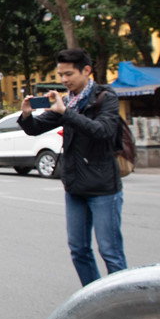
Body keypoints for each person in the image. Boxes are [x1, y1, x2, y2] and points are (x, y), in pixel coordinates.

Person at [20, 48, 127, 286]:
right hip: (75, 185)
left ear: (86, 70)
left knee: (110, 251)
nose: (64, 80)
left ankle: (122, 302)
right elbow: (35, 128)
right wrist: (26, 115)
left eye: (68, 74)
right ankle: (94, 297)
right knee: (78, 250)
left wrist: (66, 113)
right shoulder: (66, 101)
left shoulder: (105, 97)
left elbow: (104, 131)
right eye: (60, 75)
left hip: (103, 187)